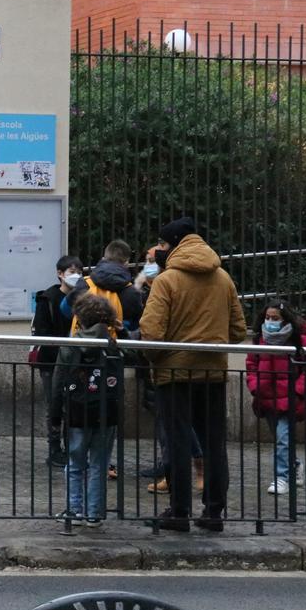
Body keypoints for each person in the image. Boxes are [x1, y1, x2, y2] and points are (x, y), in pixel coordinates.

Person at [139, 217, 247, 533]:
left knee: (177, 442)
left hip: (173, 373)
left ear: (174, 243)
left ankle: (179, 511)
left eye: (161, 244)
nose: (159, 249)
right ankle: (214, 512)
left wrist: (155, 359)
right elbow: (239, 331)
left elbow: (152, 333)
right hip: (213, 372)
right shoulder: (223, 278)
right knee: (214, 444)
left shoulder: (167, 281)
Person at [135, 243, 203, 495]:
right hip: (154, 364)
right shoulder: (149, 289)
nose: (147, 265)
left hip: (168, 362)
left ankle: (190, 468)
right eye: (146, 260)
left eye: (152, 260)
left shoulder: (168, 285)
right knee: (167, 421)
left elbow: (152, 328)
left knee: (175, 421)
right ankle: (172, 470)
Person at [53, 295, 123, 528]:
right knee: (99, 464)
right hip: (107, 412)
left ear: (79, 319)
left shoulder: (70, 346)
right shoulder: (113, 345)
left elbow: (57, 382)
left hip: (76, 412)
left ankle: (74, 511)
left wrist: (54, 414)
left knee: (74, 463)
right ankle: (95, 513)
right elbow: (135, 357)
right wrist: (120, 332)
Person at [246, 302, 306, 496]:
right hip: (266, 398)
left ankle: (281, 478)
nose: (270, 322)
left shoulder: (300, 340)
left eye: (275, 318)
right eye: (267, 318)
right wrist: (255, 386)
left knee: (282, 439)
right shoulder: (259, 340)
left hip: (290, 399)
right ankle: (295, 465)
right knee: (281, 438)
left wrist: (298, 391)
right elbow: (251, 365)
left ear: (286, 319)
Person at [32, 254, 82, 466]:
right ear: (60, 274)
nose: (76, 276)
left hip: (74, 361)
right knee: (55, 404)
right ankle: (54, 449)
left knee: (72, 404)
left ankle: (72, 448)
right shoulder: (48, 299)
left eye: (79, 272)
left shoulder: (83, 297)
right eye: (71, 272)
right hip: (52, 361)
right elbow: (41, 331)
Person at [63, 239, 144, 336]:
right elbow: (135, 325)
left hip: (83, 343)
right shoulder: (132, 292)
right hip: (114, 347)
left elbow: (65, 309)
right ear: (126, 263)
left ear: (103, 259)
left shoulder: (84, 283)